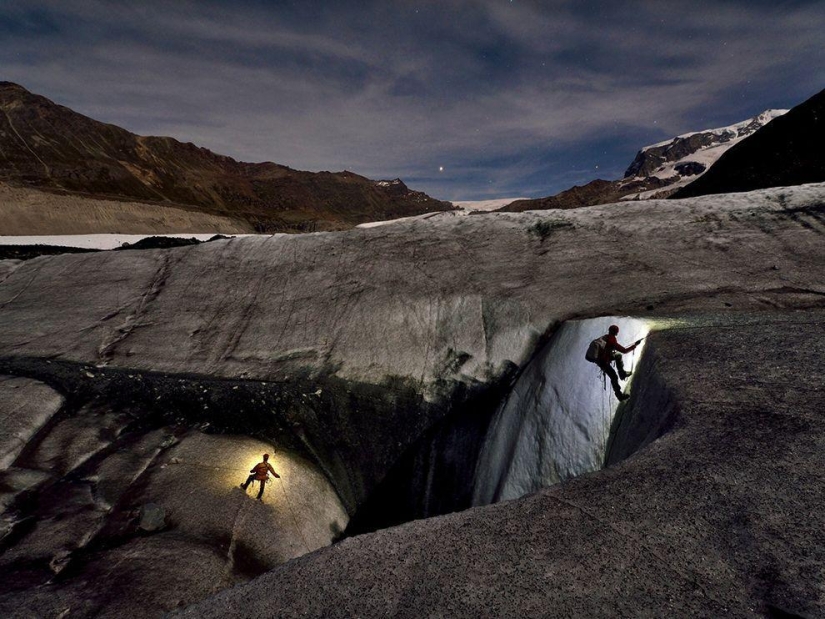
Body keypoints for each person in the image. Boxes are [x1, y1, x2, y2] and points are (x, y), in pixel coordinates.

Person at [597, 325, 642, 402]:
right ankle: (619, 396)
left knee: (618, 355)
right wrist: (634, 346)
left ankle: (622, 374)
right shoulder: (611, 340)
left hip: (601, 359)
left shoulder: (605, 337)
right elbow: (624, 351)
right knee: (614, 376)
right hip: (603, 362)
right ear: (616, 332)